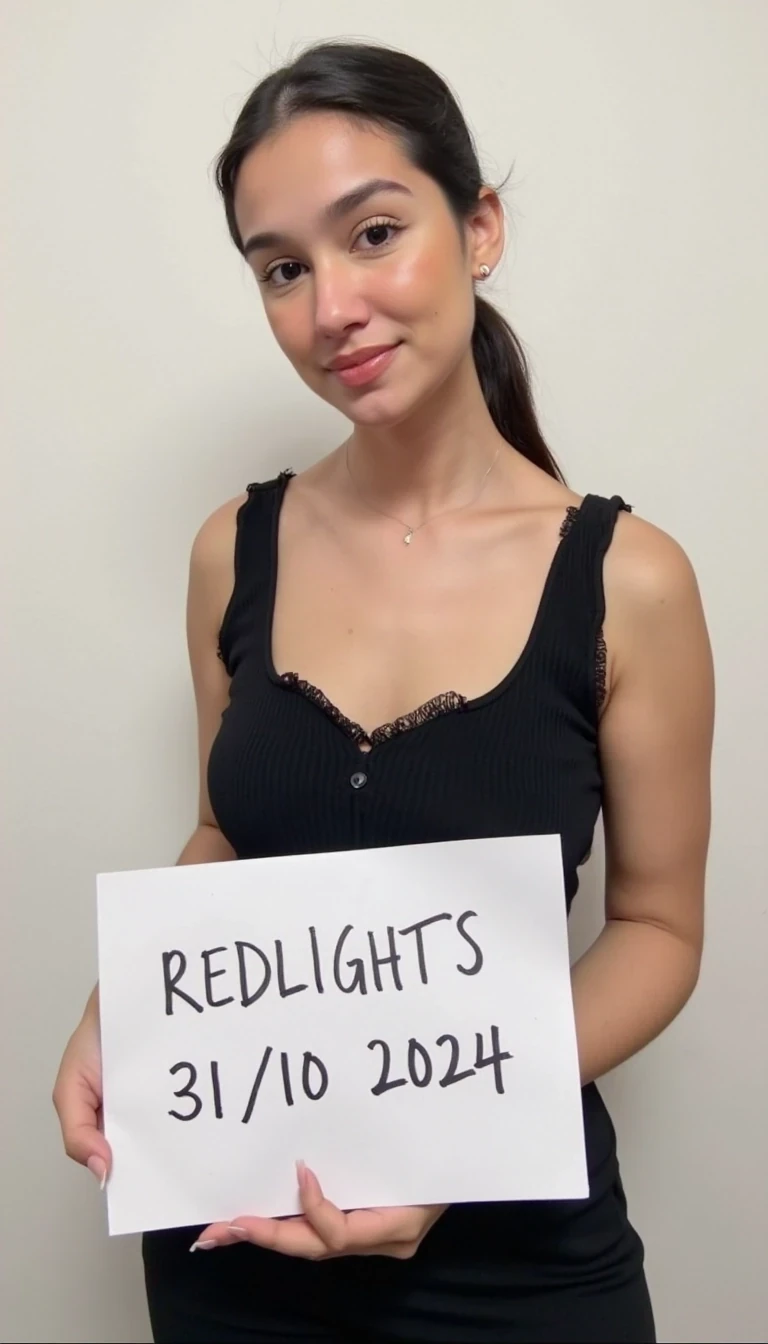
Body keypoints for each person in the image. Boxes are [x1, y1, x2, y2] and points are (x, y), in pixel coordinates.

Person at [53, 39, 714, 1344]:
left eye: (373, 234)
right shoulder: (228, 552)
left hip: (521, 1268)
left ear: (480, 229)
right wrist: (129, 1003)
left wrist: (442, 1138)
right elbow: (229, 834)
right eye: (283, 269)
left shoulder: (628, 580)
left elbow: (658, 932)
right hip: (232, 1245)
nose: (331, 308)